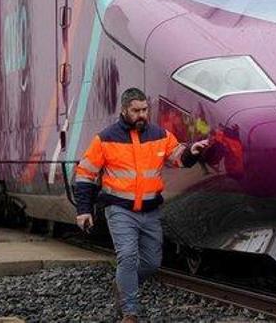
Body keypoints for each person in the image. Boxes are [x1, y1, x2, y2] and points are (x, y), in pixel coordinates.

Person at [73, 87, 209, 323]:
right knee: (127, 256)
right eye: (136, 110)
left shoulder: (160, 135)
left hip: (150, 211)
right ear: (124, 110)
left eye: (145, 109)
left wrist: (192, 152)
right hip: (120, 210)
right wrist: (84, 210)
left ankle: (124, 287)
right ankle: (130, 313)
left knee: (152, 262)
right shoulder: (105, 139)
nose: (141, 114)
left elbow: (178, 156)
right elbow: (85, 174)